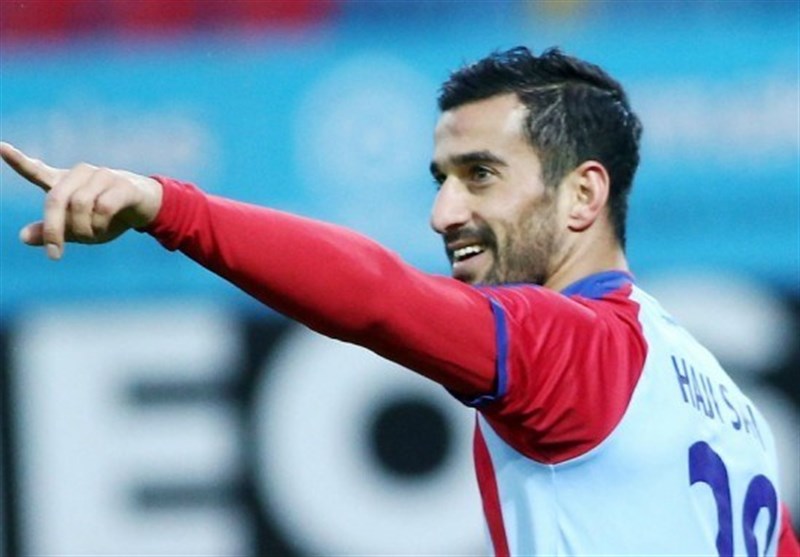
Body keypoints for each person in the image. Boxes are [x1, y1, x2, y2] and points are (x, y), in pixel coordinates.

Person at [2, 46, 798, 556]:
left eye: (480, 175)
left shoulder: (574, 350)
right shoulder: (722, 401)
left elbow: (378, 297)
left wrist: (170, 208)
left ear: (583, 194)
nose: (443, 212)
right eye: (441, 180)